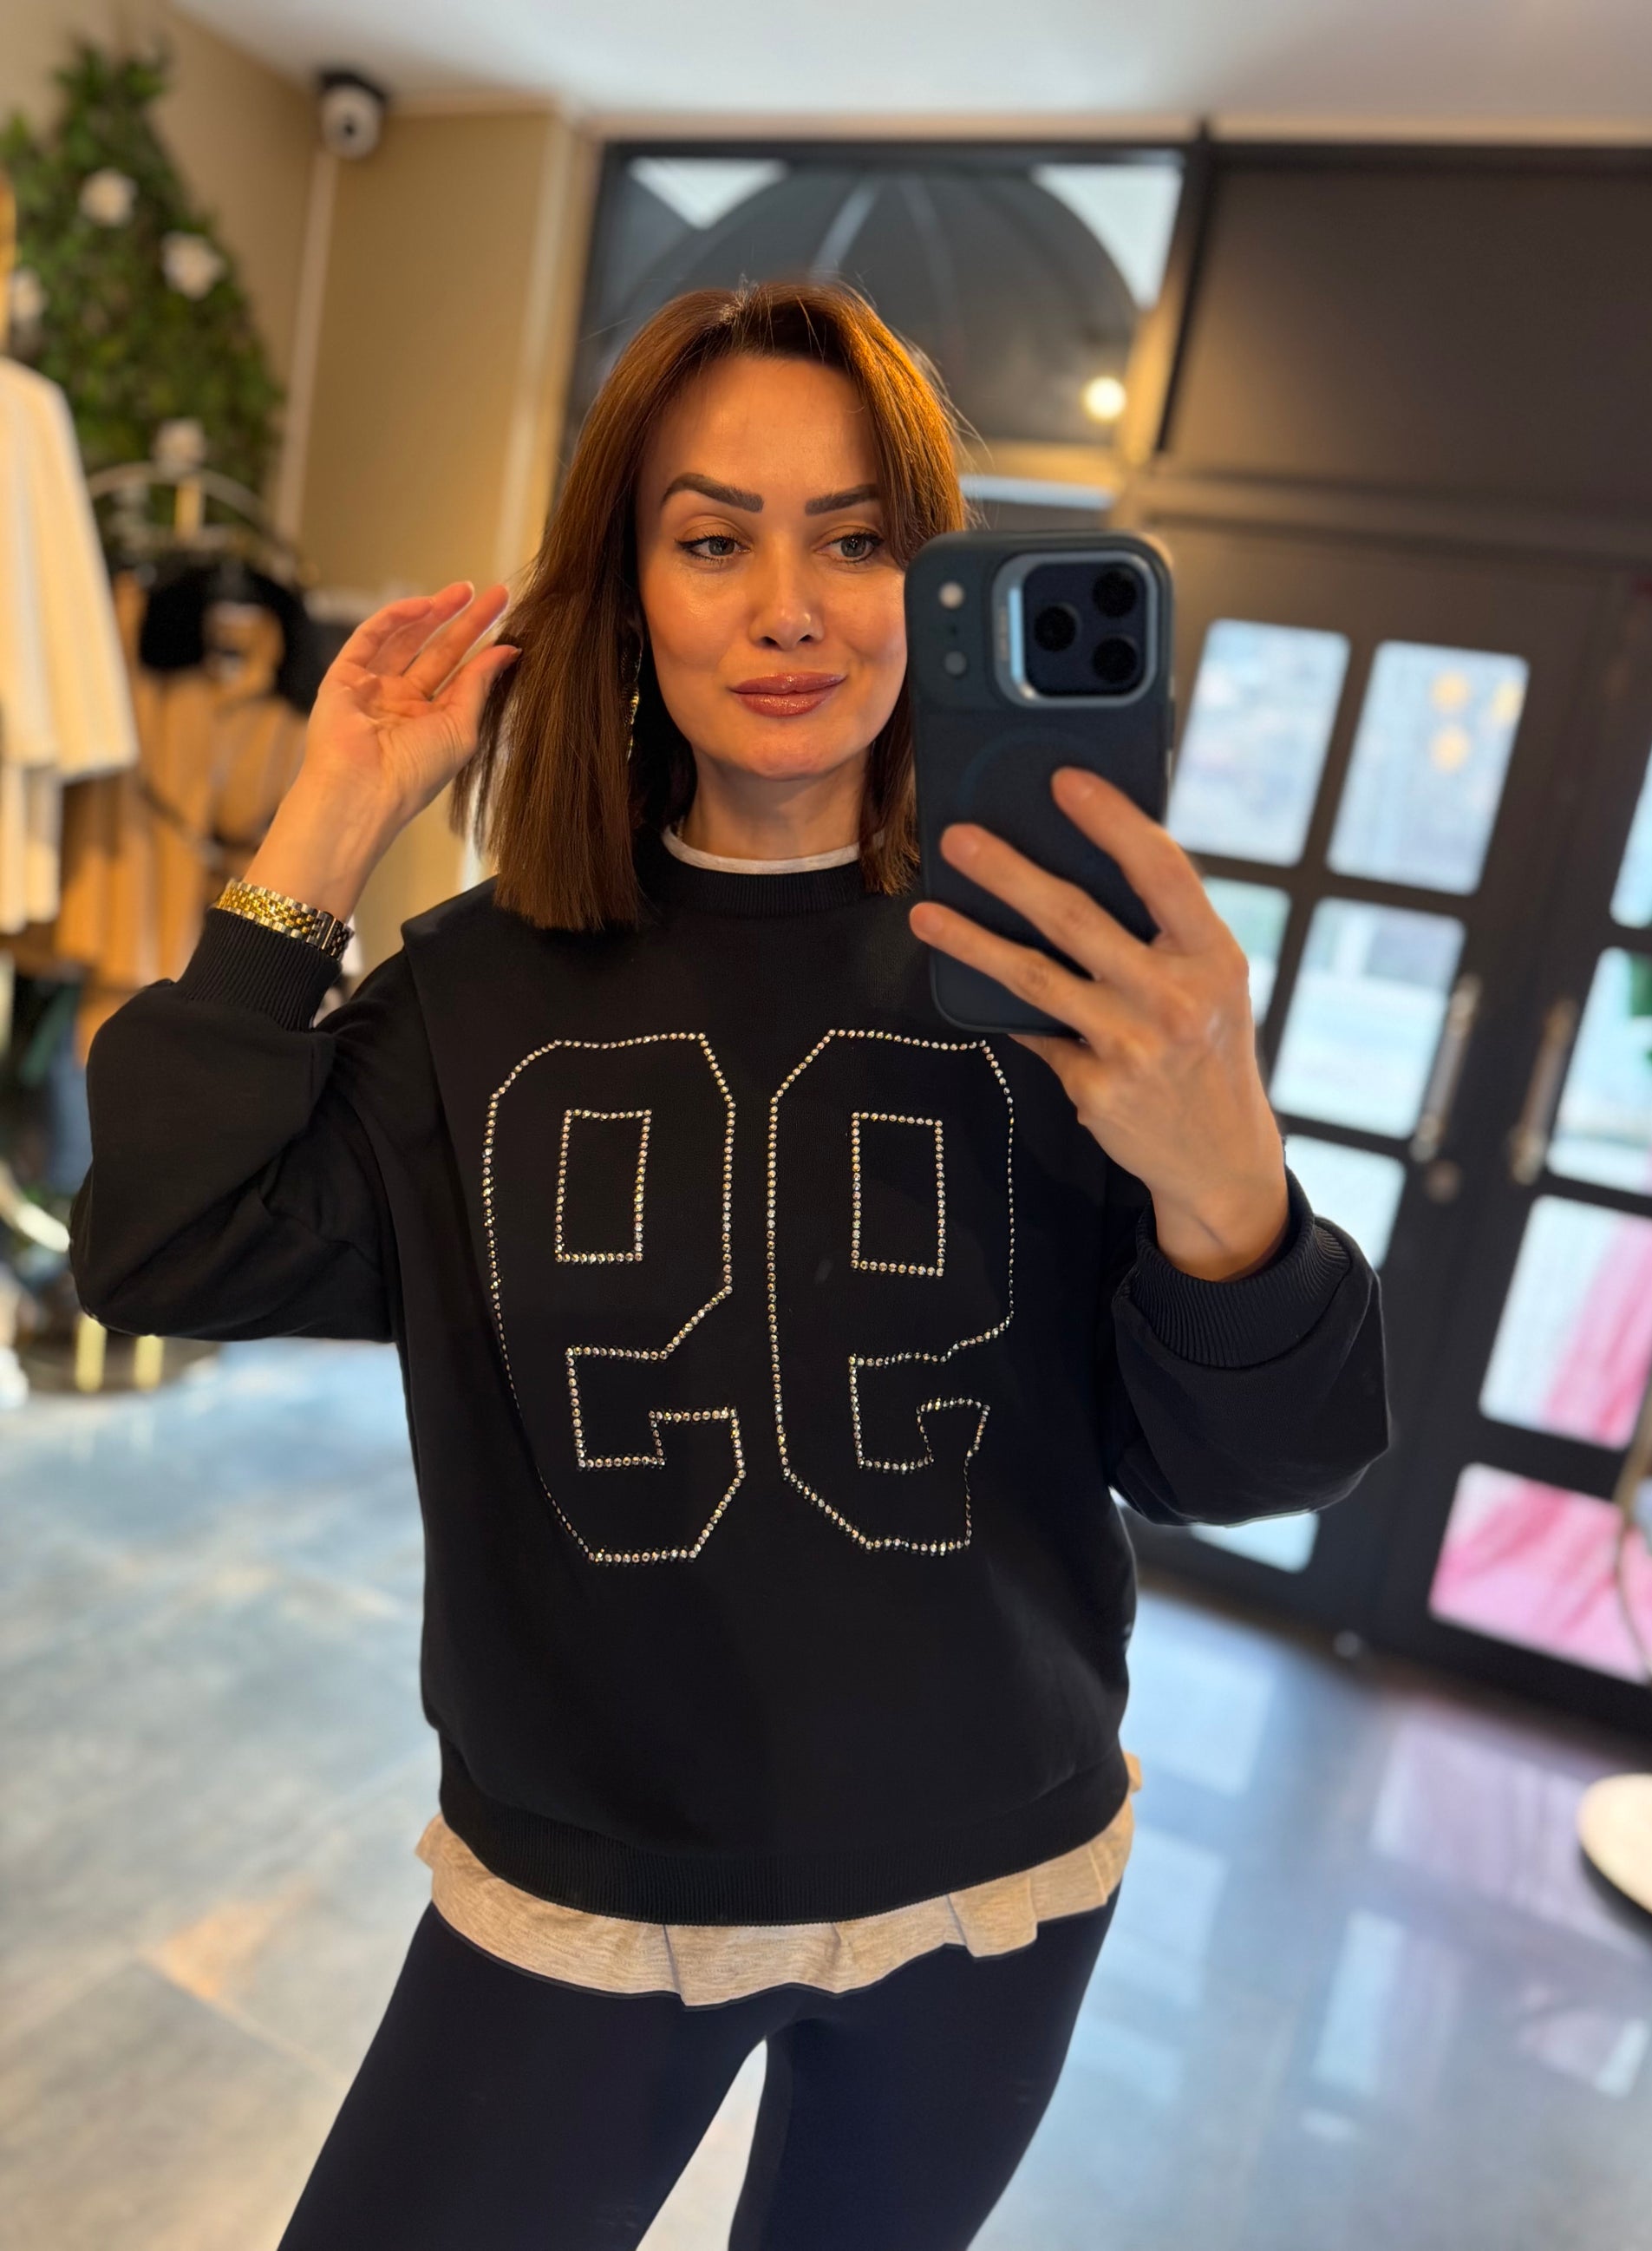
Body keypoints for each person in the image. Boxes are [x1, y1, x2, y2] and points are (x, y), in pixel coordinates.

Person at [72, 280, 1388, 2251]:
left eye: (856, 542)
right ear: (630, 592)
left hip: (998, 1883)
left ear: (929, 588)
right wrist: (335, 809)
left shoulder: (1073, 993)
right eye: (712, 540)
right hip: (589, 1891)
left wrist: (1229, 1174)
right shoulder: (475, 998)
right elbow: (160, 1242)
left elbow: (1259, 1461)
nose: (790, 609)